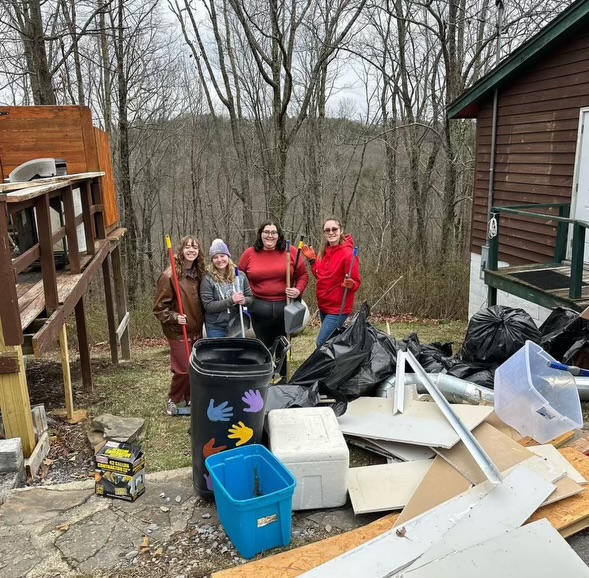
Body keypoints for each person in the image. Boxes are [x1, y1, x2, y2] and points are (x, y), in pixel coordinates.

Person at [239, 220, 309, 358]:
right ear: (260, 234)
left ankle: (283, 375)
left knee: (283, 345)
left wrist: (298, 290)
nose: (269, 236)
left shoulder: (291, 252)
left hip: (286, 306)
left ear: (279, 235)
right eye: (266, 232)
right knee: (264, 347)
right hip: (259, 307)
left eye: (273, 232)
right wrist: (245, 297)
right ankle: (267, 375)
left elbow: (303, 275)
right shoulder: (249, 254)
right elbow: (239, 278)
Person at [154, 235, 205, 416]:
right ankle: (173, 399)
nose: (191, 250)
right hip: (178, 330)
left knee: (195, 367)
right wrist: (175, 317)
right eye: (188, 247)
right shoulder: (170, 276)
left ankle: (190, 396)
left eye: (195, 247)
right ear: (181, 250)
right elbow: (159, 309)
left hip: (197, 330)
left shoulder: (200, 274)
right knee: (184, 369)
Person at [302, 217, 361, 347]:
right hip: (324, 306)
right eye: (327, 230)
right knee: (331, 343)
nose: (331, 232)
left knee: (322, 343)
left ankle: (330, 366)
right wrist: (312, 260)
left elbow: (356, 282)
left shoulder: (348, 254)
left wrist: (351, 284)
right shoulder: (325, 252)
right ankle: (337, 366)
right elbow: (321, 276)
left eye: (334, 229)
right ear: (324, 233)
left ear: (341, 230)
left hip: (338, 308)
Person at [200, 238, 254, 338]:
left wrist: (244, 300)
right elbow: (208, 306)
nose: (220, 260)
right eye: (215, 257)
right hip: (216, 327)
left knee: (236, 353)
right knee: (219, 353)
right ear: (212, 260)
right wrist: (231, 300)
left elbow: (250, 297)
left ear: (228, 256)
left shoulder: (240, 276)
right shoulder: (207, 279)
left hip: (237, 323)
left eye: (222, 255)